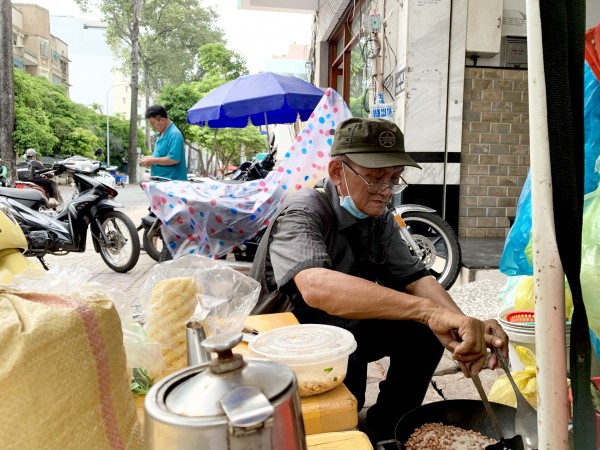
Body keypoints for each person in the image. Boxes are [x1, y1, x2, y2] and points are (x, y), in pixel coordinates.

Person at [250, 117, 509, 444]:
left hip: (342, 327)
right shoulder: (304, 208)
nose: (386, 190)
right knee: (349, 386)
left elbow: (417, 278)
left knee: (425, 333)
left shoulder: (379, 220)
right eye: (374, 178)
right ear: (336, 173)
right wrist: (428, 312)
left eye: (393, 178)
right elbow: (315, 286)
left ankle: (386, 429)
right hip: (287, 338)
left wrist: (460, 322)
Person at [140, 105, 187, 181]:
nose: (152, 126)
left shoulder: (174, 134)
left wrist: (153, 160)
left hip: (171, 184)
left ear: (162, 120)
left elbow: (174, 159)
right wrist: (151, 158)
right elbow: (161, 155)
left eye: (153, 123)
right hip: (160, 182)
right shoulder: (161, 133)